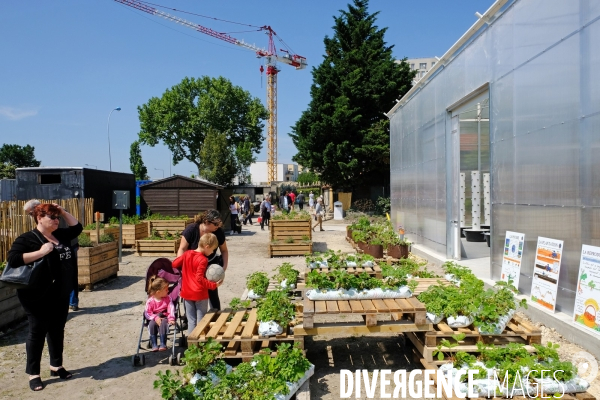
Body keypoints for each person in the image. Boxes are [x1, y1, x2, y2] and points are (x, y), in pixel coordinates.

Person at [7, 203, 83, 391]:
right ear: (39, 218)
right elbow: (14, 259)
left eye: (57, 218)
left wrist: (63, 211)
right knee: (37, 332)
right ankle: (34, 374)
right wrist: (40, 253)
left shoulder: (61, 235)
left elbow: (77, 228)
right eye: (52, 217)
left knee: (57, 329)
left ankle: (56, 366)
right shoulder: (27, 239)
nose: (56, 221)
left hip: (61, 292)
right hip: (37, 295)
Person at [178, 210, 229, 310]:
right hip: (194, 267)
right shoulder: (192, 229)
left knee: (212, 292)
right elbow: (182, 249)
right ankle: (188, 320)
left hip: (211, 266)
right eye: (216, 224)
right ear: (206, 222)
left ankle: (216, 316)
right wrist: (182, 267)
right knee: (191, 292)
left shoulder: (218, 232)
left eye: (219, 223)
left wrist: (224, 267)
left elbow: (224, 251)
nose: (218, 226)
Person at [173, 233, 223, 335]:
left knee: (191, 321)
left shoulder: (187, 254)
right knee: (201, 321)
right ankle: (200, 346)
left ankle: (191, 347)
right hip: (199, 294)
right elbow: (199, 278)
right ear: (207, 247)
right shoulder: (203, 259)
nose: (213, 252)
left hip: (186, 294)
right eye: (213, 249)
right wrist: (213, 285)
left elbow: (174, 264)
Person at [144, 276, 175, 351]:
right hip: (153, 318)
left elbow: (171, 309)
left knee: (163, 323)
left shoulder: (168, 299)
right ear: (158, 292)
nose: (168, 291)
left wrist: (171, 318)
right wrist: (155, 317)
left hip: (164, 317)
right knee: (151, 324)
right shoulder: (150, 301)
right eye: (166, 289)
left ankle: (162, 343)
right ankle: (154, 344)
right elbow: (147, 313)